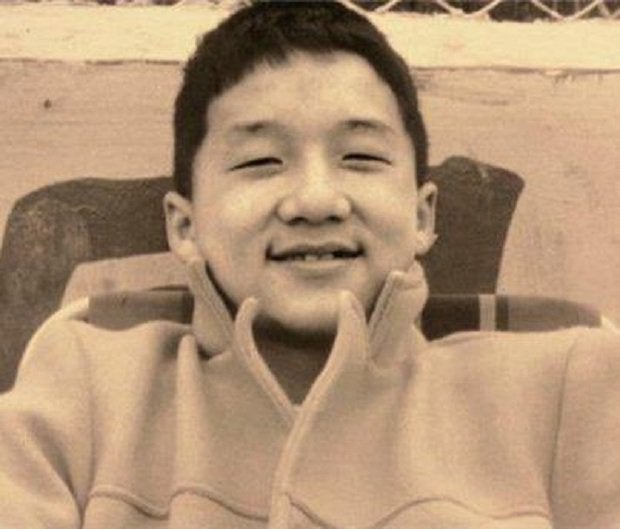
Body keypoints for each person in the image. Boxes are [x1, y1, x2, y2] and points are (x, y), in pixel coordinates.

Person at [1, 2, 619, 528]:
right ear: (184, 227)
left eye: (360, 157)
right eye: (260, 162)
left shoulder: (564, 391)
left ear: (422, 215)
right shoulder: (89, 388)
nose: (316, 201)